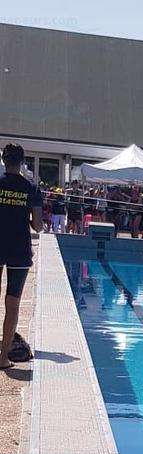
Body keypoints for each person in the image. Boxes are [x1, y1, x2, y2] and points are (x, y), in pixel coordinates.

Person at [0, 144, 43, 369]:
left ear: (5, 161)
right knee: (13, 305)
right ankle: (2, 358)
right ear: (22, 162)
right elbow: (37, 226)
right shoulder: (31, 189)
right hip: (19, 249)